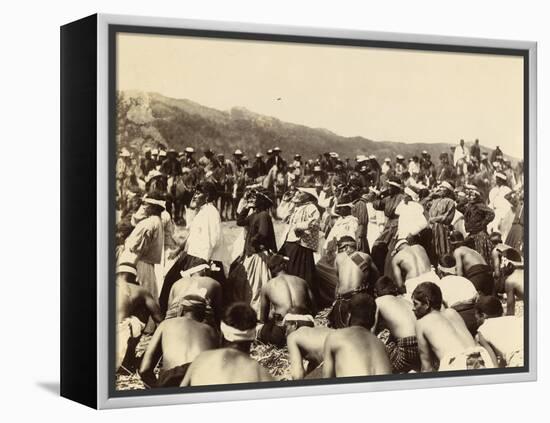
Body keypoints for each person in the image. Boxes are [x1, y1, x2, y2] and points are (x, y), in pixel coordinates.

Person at [160, 182, 224, 313]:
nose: (194, 196)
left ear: (207, 197)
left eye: (198, 193)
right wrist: (178, 251)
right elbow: (192, 236)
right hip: (189, 256)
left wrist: (202, 264)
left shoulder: (211, 212)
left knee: (190, 291)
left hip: (199, 259)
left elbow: (212, 240)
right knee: (170, 283)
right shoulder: (201, 212)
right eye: (195, 192)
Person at [180, 303, 274, 386]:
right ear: (253, 336)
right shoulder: (259, 372)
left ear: (222, 332)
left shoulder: (201, 359)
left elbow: (182, 395)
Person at [139, 295, 219, 388]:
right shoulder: (211, 331)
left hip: (173, 379)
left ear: (181, 310)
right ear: (204, 313)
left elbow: (144, 369)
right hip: (201, 379)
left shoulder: (166, 324)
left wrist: (157, 388)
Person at [412, 282, 493, 372]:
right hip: (481, 357)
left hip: (458, 363)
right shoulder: (452, 312)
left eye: (415, 304)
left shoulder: (421, 323)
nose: (413, 308)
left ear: (427, 303)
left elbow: (426, 368)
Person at [323, 293, 392, 377]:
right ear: (374, 318)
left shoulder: (334, 337)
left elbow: (327, 379)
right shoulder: (381, 345)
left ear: (349, 315)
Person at [232, 188, 277, 317]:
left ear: (262, 201)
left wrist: (253, 241)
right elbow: (240, 222)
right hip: (251, 253)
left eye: (255, 198)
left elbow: (263, 233)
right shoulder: (255, 214)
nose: (252, 199)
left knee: (256, 284)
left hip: (258, 256)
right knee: (248, 284)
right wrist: (246, 207)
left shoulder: (263, 215)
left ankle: (256, 313)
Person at [257, 255, 316, 347]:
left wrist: (272, 317)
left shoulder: (267, 286)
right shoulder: (302, 281)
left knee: (261, 331)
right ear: (284, 265)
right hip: (306, 325)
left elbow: (263, 319)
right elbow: (314, 309)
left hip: (283, 329)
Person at [116, 260, 163, 372]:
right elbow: (159, 320)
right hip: (119, 343)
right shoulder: (140, 290)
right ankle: (128, 359)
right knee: (143, 309)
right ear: (134, 277)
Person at [329, 236, 379, 328]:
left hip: (342, 300)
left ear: (346, 247)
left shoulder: (338, 258)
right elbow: (377, 276)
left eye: (340, 248)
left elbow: (339, 281)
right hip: (358, 298)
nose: (339, 251)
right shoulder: (364, 256)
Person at [279, 188, 321, 298]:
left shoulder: (311, 207)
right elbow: (281, 215)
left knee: (300, 271)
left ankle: (302, 297)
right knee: (288, 267)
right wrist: (285, 201)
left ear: (307, 196)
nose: (297, 193)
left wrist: (299, 226)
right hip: (289, 241)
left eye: (300, 192)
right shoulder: (296, 206)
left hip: (300, 243)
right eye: (297, 191)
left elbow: (315, 222)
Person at [373, 276, 420, 373]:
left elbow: (371, 330)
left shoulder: (379, 301)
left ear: (376, 292)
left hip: (406, 348)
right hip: (422, 346)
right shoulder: (406, 299)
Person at [123, 195, 165, 300]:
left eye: (146, 205)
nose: (144, 207)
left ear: (154, 208)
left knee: (137, 294)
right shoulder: (156, 220)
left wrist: (130, 267)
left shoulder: (149, 223)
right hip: (145, 265)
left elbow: (138, 249)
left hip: (139, 264)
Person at [434, 254, 480, 336]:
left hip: (457, 321)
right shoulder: (465, 281)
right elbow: (477, 298)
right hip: (475, 318)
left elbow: (442, 310)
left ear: (439, 271)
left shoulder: (439, 285)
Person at [475, 296, 524, 367]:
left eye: (476, 318)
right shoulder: (514, 319)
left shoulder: (482, 331)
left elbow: (493, 364)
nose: (476, 321)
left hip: (517, 360)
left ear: (483, 315)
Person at [371, 177, 405, 275]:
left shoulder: (401, 198)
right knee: (377, 247)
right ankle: (380, 272)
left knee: (389, 249)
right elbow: (377, 205)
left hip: (398, 225)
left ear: (396, 188)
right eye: (389, 186)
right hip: (389, 226)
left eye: (391, 187)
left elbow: (391, 211)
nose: (389, 188)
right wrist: (379, 195)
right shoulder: (388, 198)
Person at [286, 314, 333, 380]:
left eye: (285, 327)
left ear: (294, 325)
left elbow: (298, 376)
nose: (285, 333)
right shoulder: (319, 331)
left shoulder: (293, 336)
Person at [459, 184, 495, 264]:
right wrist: (465, 200)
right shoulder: (469, 207)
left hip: (479, 234)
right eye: (469, 195)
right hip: (472, 234)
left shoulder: (480, 206)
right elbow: (458, 207)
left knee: (480, 254)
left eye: (472, 195)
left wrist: (482, 223)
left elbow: (491, 213)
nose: (470, 197)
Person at [449, 231, 494, 296]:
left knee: (469, 298)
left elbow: (460, 273)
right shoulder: (473, 250)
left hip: (477, 275)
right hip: (489, 275)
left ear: (453, 244)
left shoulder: (458, 251)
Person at [423, 181, 456, 264]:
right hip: (432, 230)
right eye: (440, 187)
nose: (440, 189)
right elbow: (421, 206)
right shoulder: (435, 200)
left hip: (442, 231)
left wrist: (433, 219)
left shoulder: (450, 202)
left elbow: (447, 219)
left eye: (442, 187)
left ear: (448, 190)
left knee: (443, 251)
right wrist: (430, 196)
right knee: (431, 251)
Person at [501, 248, 524, 316]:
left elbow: (510, 311)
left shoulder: (510, 281)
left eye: (503, 263)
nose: (501, 266)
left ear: (509, 265)